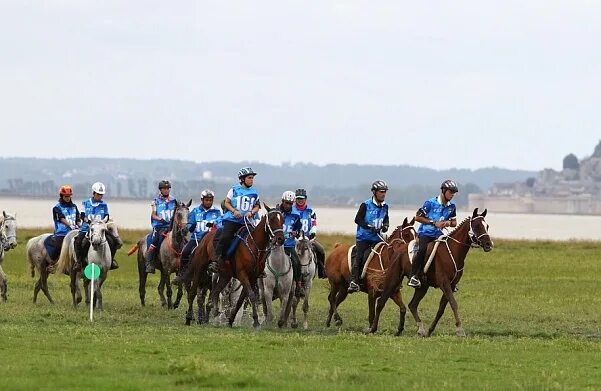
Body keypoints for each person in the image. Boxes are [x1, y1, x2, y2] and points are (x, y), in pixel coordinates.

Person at [208, 167, 261, 273]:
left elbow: (257, 206)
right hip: (233, 221)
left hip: (247, 222)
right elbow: (227, 202)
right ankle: (217, 260)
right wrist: (234, 211)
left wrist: (251, 212)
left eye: (252, 178)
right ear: (242, 179)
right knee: (225, 237)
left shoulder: (255, 192)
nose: (251, 180)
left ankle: (259, 265)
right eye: (249, 178)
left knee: (257, 240)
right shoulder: (234, 190)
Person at [408, 180, 458, 288]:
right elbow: (417, 217)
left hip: (438, 235)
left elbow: (454, 222)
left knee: (448, 251)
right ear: (444, 191)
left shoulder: (452, 207)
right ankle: (413, 276)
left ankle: (448, 278)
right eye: (451, 192)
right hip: (425, 233)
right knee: (422, 251)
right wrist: (433, 223)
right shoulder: (430, 203)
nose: (452, 195)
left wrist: (448, 222)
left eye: (454, 193)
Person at [348, 180, 389, 293]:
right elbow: (358, 219)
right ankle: (354, 281)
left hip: (377, 239)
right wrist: (369, 226)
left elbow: (386, 218)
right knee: (360, 257)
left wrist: (385, 225)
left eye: (384, 192)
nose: (383, 194)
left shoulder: (385, 206)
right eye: (381, 192)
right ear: (374, 192)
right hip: (364, 238)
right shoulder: (365, 205)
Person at [74, 182, 119, 271]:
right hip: (87, 228)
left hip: (100, 229)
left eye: (101, 195)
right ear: (93, 193)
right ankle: (79, 262)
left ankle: (111, 261)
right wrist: (88, 221)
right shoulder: (86, 203)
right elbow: (82, 215)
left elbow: (106, 216)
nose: (100, 196)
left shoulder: (104, 205)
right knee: (78, 242)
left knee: (113, 241)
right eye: (98, 194)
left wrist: (104, 221)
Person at [179, 189, 223, 274]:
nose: (208, 202)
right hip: (197, 239)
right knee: (185, 252)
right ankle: (182, 274)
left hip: (211, 240)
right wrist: (187, 228)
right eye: (206, 200)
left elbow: (220, 224)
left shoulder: (217, 212)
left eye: (210, 200)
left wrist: (215, 225)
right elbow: (191, 224)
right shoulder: (195, 211)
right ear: (202, 200)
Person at [144, 180, 177, 273]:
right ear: (161, 190)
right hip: (159, 226)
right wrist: (160, 219)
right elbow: (153, 215)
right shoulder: (155, 201)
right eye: (164, 189)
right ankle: (149, 263)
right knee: (155, 240)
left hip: (171, 226)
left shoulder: (174, 201)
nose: (166, 190)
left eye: (168, 188)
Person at [292, 188, 326, 278]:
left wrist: (313, 232)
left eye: (302, 199)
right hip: (295, 239)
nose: (300, 200)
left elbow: (314, 222)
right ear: (295, 199)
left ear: (305, 199)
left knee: (321, 249)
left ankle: (321, 271)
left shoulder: (311, 211)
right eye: (298, 199)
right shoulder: (292, 210)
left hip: (308, 238)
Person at [279, 191, 305, 297]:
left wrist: (296, 232)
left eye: (290, 203)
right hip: (276, 245)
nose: (288, 205)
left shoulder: (296, 215)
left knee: (297, 262)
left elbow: (298, 229)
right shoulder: (276, 212)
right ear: (282, 201)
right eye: (286, 203)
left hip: (289, 245)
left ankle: (299, 286)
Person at [48, 185, 81, 263]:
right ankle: (52, 263)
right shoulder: (57, 207)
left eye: (69, 196)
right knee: (58, 247)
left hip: (74, 231)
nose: (67, 198)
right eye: (66, 196)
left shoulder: (74, 206)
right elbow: (61, 218)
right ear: (61, 196)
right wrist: (70, 225)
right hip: (62, 233)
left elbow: (78, 218)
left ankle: (79, 263)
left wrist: (79, 225)